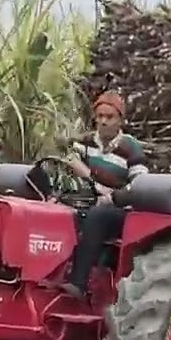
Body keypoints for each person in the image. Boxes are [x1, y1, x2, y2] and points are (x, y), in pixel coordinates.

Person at [59, 90, 149, 299]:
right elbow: (66, 162)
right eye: (100, 117)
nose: (103, 122)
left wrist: (109, 194)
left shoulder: (131, 148)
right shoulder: (85, 143)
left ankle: (78, 283)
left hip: (119, 211)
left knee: (99, 215)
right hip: (87, 202)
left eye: (109, 117)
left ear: (120, 120)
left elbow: (139, 187)